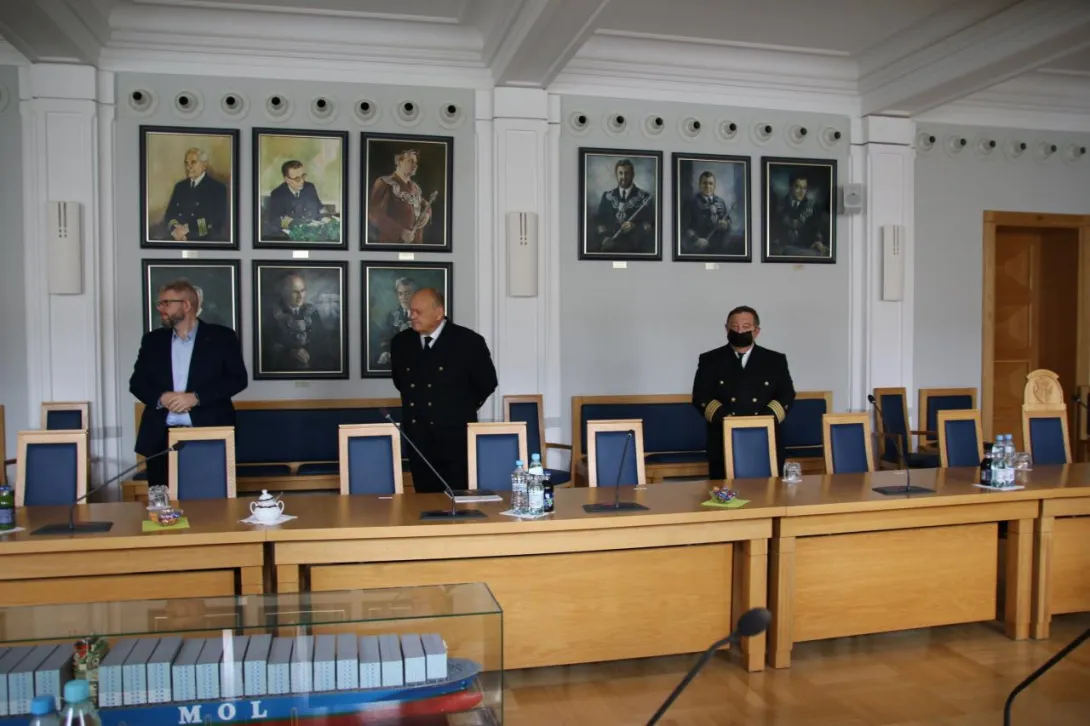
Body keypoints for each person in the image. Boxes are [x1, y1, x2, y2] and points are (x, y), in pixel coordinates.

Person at [129, 279, 248, 487]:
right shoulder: (153, 341)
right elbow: (137, 383)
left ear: (186, 305)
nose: (160, 308)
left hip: (209, 432)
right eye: (160, 303)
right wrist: (162, 398)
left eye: (166, 303)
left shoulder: (222, 337)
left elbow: (237, 379)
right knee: (161, 500)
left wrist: (196, 398)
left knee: (209, 498)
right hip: (160, 437)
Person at [390, 288, 498, 493]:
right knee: (425, 499)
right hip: (418, 437)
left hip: (455, 437)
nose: (412, 316)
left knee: (458, 498)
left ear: (438, 313)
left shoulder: (468, 342)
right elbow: (400, 382)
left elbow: (487, 383)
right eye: (411, 311)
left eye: (418, 312)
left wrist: (457, 406)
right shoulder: (401, 343)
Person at [691, 305, 796, 479]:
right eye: (734, 327)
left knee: (769, 491)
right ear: (726, 329)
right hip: (723, 436)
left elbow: (786, 395)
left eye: (746, 327)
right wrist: (728, 421)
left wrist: (762, 421)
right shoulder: (710, 359)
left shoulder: (775, 360)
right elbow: (701, 396)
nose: (739, 331)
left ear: (756, 331)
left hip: (765, 436)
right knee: (724, 492)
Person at [158, 147, 230, 243]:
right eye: (186, 163)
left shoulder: (217, 188)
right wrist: (174, 230)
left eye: (193, 162)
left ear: (204, 165)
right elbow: (169, 214)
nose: (188, 167)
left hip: (204, 240)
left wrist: (187, 230)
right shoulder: (180, 187)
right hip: (177, 237)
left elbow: (216, 221)